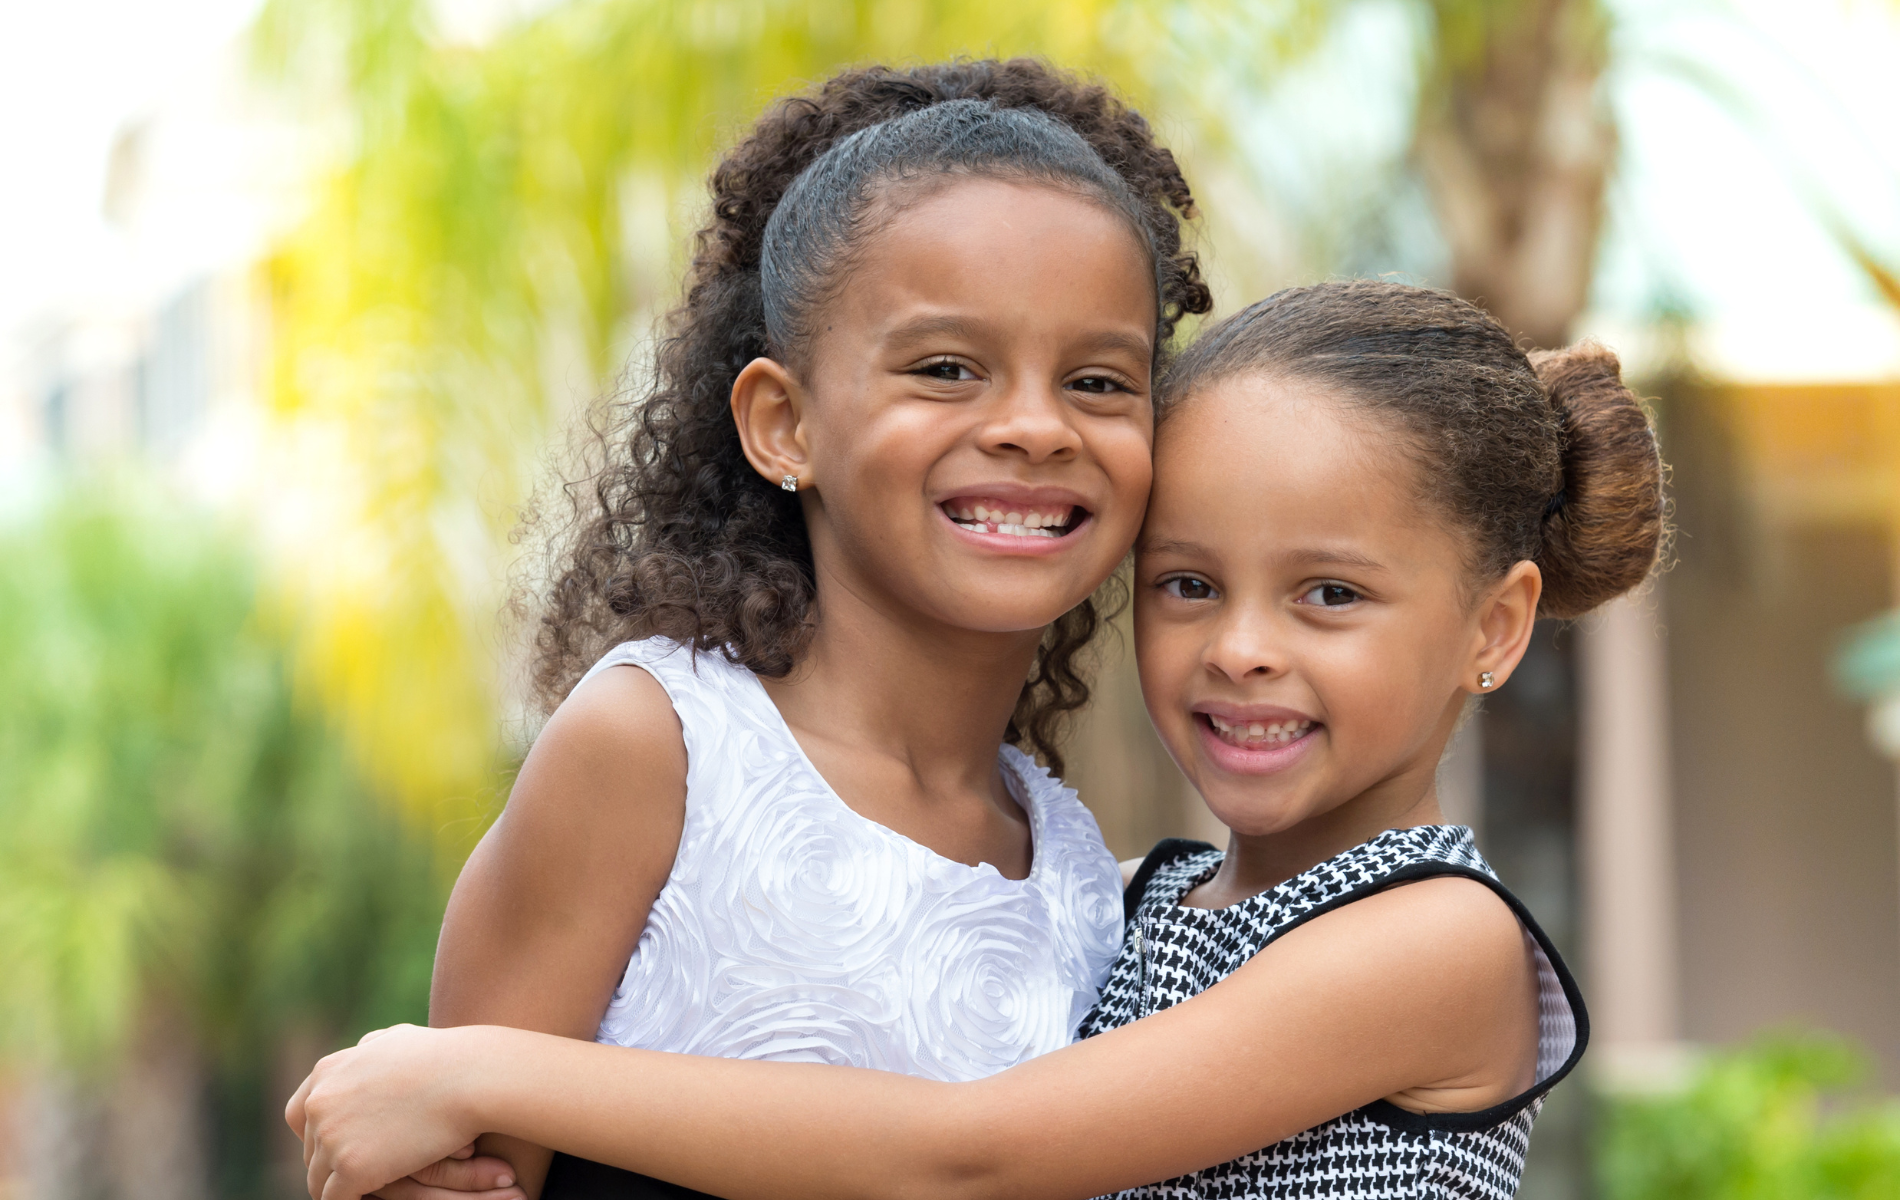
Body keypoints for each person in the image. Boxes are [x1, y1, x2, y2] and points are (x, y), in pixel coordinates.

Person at [290, 280, 1666, 1200]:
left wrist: (468, 1067)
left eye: (1330, 595)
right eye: (1188, 584)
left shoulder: (1436, 940)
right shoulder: (1121, 895)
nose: (1242, 646)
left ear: (1496, 629)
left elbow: (973, 1157)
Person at [371, 59, 1214, 1200]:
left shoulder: (1064, 862)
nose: (1033, 425)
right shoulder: (655, 746)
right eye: (946, 368)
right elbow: (446, 1163)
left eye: (1101, 383)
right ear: (783, 425)